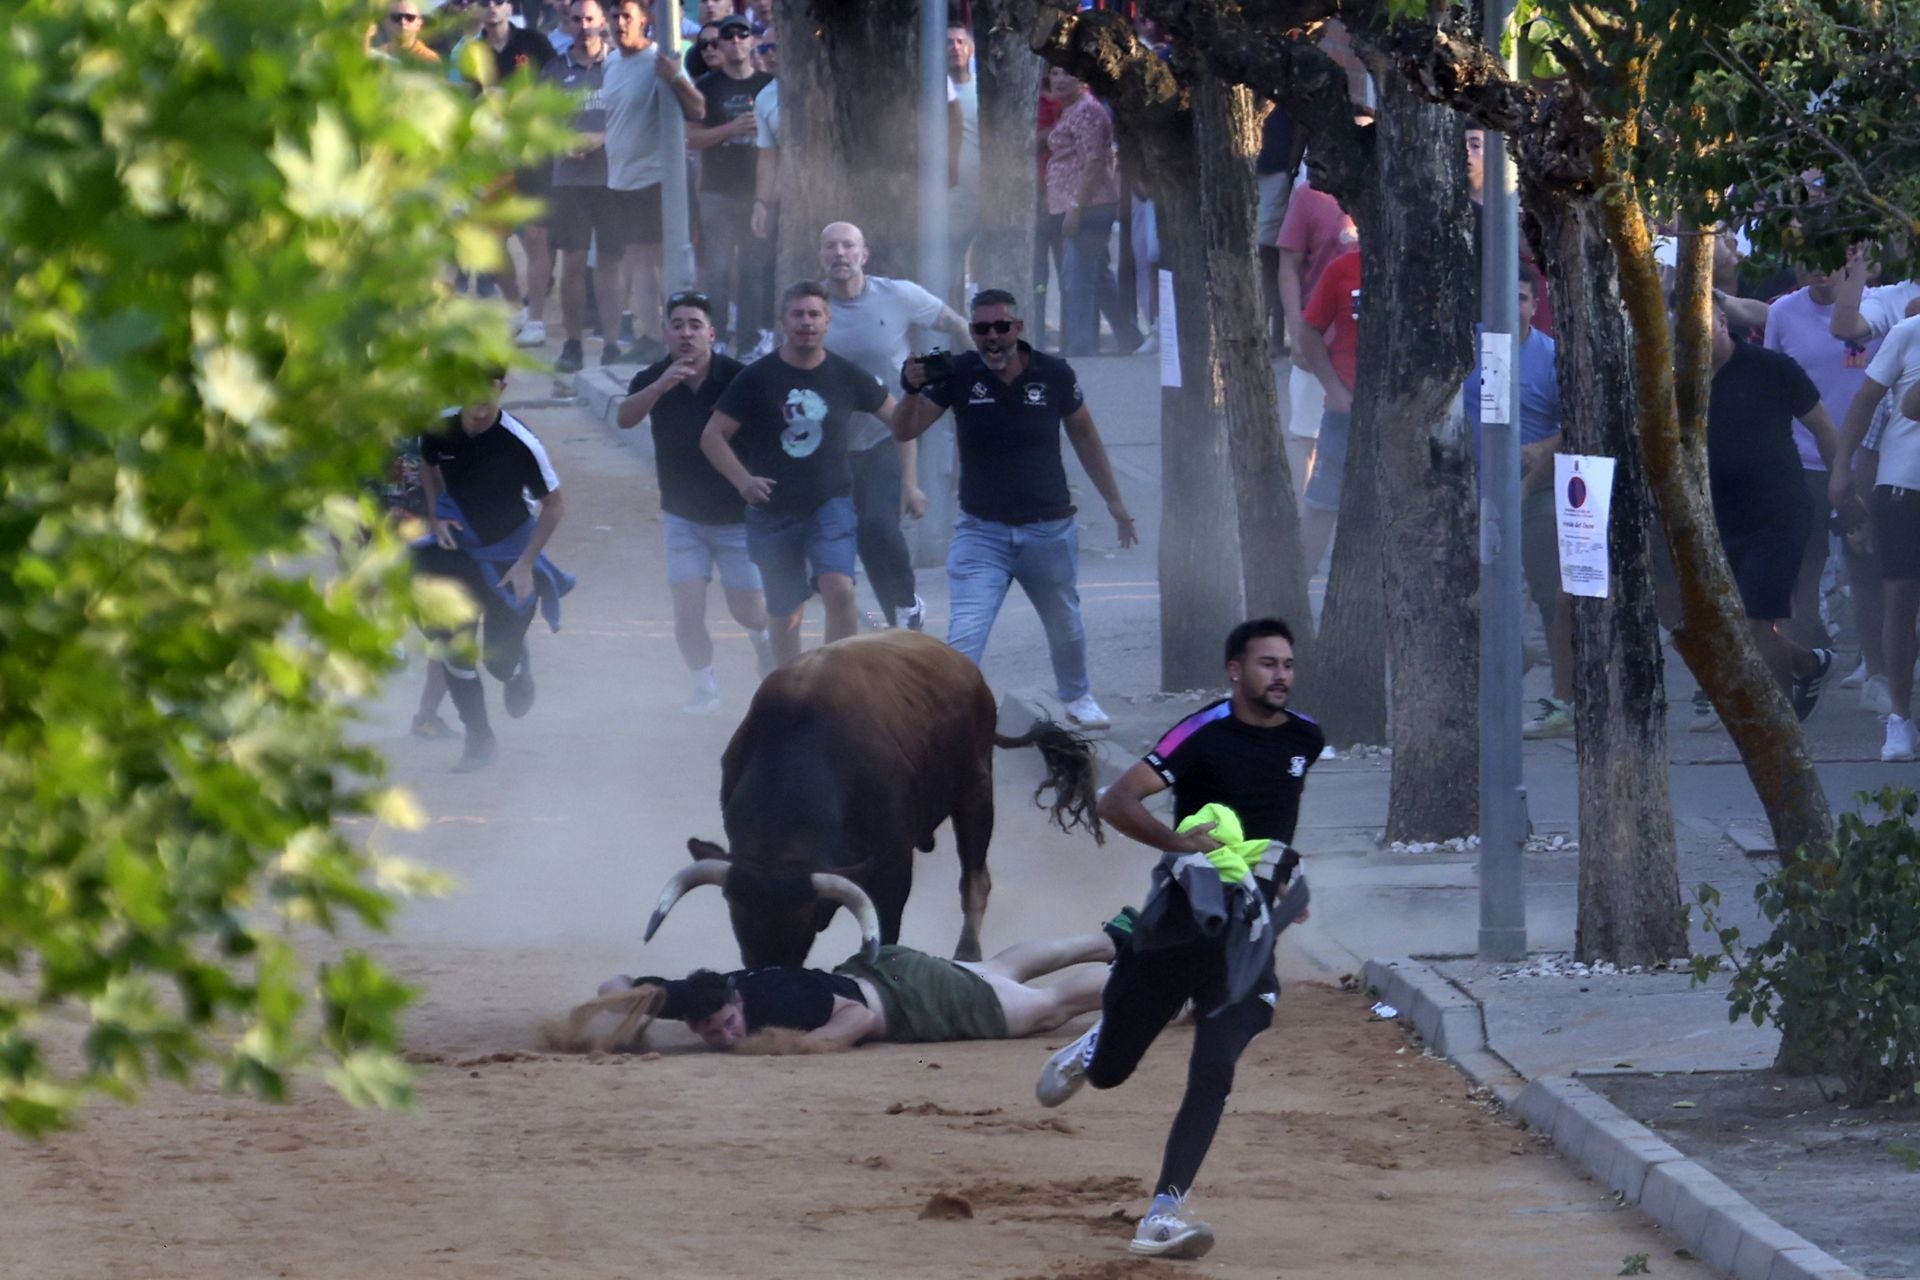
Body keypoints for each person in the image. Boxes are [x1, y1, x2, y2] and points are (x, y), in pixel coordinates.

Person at [1035, 618, 1323, 1260]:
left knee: (1215, 1064)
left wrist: (1279, 888)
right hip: (1176, 928)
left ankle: (1163, 1212)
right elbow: (1116, 800)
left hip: (1243, 938)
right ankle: (1098, 1042)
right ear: (1235, 670)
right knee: (1110, 1075)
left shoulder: (1307, 737)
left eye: (1287, 664)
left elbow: (1278, 825)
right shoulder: (1203, 732)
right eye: (1267, 664)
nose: (1280, 675)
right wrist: (1177, 842)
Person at [895, 289, 1136, 731]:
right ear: (971, 332)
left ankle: (1078, 696)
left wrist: (1116, 502)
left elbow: (1085, 435)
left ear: (1019, 329)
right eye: (981, 329)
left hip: (1049, 529)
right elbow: (905, 428)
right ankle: (950, 713)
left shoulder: (1053, 373)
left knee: (1065, 624)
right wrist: (909, 389)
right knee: (966, 632)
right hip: (981, 531)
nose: (991, 338)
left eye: (1000, 327)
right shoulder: (958, 372)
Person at [700, 281, 897, 666]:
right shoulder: (757, 377)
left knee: (839, 588)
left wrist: (901, 479)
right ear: (783, 322)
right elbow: (712, 436)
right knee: (786, 611)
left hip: (831, 502)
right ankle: (788, 683)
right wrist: (743, 481)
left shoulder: (846, 374)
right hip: (773, 509)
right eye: (798, 314)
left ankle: (835, 680)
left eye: (814, 314)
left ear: (828, 321)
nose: (806, 322)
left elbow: (901, 422)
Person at [1669, 301, 1840, 725]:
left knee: (1756, 620)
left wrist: (1842, 487)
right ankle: (1807, 665)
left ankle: (1779, 726)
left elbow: (1822, 427)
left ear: (1723, 321)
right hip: (1718, 516)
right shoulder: (1677, 380)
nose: (1695, 338)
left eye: (1702, 325)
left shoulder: (1773, 368)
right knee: (1733, 626)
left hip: (1778, 513)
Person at [618, 290, 776, 710]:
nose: (686, 334)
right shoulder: (653, 377)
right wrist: (657, 388)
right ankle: (706, 688)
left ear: (712, 333)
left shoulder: (739, 377)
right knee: (687, 614)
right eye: (677, 325)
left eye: (694, 325)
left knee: (749, 612)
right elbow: (624, 418)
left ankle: (763, 642)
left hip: (736, 518)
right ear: (666, 333)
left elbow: (767, 432)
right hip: (681, 517)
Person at [583, 930, 1115, 1053]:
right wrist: (618, 1023)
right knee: (998, 968)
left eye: (728, 1024)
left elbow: (858, 1018)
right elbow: (622, 986)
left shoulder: (776, 1006)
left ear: (739, 1001)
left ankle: (1152, 986)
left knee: (1046, 1009)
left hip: (909, 999)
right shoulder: (699, 994)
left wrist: (809, 1046)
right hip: (885, 967)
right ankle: (1109, 935)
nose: (725, 1035)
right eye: (713, 1030)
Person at [415, 372, 573, 771]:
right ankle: (479, 737)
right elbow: (427, 465)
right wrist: (436, 515)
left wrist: (525, 564)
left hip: (509, 554)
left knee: (497, 662)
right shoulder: (438, 428)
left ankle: (517, 667)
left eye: (489, 385)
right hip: (457, 549)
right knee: (452, 644)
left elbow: (554, 506)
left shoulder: (521, 442)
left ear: (502, 388)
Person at [818, 221, 972, 631]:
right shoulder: (813, 307)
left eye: (848, 246)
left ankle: (905, 606)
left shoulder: (897, 295)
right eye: (831, 247)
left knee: (878, 527)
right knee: (844, 546)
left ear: (863, 254)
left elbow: (955, 324)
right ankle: (883, 620)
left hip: (887, 435)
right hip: (828, 445)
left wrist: (970, 375)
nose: (840, 254)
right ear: (821, 257)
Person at [1763, 261, 1899, 704]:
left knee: (1867, 568)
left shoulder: (1874, 306)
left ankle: (1876, 669)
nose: (1818, 268)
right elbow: (1774, 383)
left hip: (1865, 460)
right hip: (1803, 462)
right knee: (1803, 570)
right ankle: (1802, 675)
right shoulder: (1783, 312)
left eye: (1831, 257)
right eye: (1808, 257)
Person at [1464, 265, 1570, 737]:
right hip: (1471, 495)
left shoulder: (1551, 357)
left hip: (1537, 492)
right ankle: (1512, 658)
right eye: (1505, 298)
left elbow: (1573, 430)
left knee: (1553, 595)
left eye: (1522, 298)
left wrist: (1536, 460)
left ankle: (1564, 702)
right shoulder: (1468, 346)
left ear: (1534, 304)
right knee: (1465, 594)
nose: (1514, 307)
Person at [1830, 307, 1920, 760]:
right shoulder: (1909, 334)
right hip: (1906, 484)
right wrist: (1842, 470)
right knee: (1900, 600)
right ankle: (1900, 719)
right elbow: (1890, 404)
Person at [603, 0, 705, 367]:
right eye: (613, 16)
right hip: (620, 178)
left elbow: (699, 110)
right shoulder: (611, 61)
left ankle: (682, 335)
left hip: (656, 178)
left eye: (626, 16)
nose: (619, 22)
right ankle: (649, 335)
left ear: (644, 21)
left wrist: (676, 76)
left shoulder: (658, 60)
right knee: (637, 259)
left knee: (662, 259)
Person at [451, 0, 557, 342]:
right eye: (485, 3)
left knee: (538, 237)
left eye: (499, 2)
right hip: (493, 157)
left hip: (533, 151)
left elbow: (556, 88)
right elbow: (464, 102)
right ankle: (516, 310)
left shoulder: (534, 43)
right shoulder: (472, 51)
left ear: (509, 7)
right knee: (493, 243)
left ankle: (537, 320)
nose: (492, 8)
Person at [544, 0, 629, 374]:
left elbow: (633, 117)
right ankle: (573, 343)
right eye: (577, 19)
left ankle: (612, 342)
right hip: (569, 180)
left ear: (602, 22)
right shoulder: (554, 68)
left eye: (590, 19)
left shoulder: (620, 66)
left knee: (611, 262)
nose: (583, 26)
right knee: (573, 262)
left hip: (613, 177)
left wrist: (602, 137)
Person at [688, 15, 772, 351]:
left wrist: (769, 195)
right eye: (728, 36)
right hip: (717, 190)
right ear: (719, 44)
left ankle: (751, 339)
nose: (735, 40)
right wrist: (730, 130)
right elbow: (690, 139)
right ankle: (718, 338)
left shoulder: (769, 84)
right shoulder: (706, 86)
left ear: (753, 41)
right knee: (718, 270)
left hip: (758, 190)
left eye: (742, 34)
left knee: (754, 269)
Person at [1044, 68, 1142, 358]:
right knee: (1097, 276)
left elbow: (1094, 161)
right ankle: (1130, 337)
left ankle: (1080, 348)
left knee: (1077, 278)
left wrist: (1076, 207)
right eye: (1055, 73)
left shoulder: (1087, 110)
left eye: (1067, 73)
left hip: (1090, 206)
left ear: (1083, 77)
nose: (1060, 79)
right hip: (1074, 205)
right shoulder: (1071, 109)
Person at [1274, 170, 1356, 498]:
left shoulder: (1393, 188)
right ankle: (1304, 529)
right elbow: (1288, 266)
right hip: (1318, 340)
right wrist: (1296, 331)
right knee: (1308, 438)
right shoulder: (1310, 196)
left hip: (1368, 345)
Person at [1292, 243, 1361, 579]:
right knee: (1320, 506)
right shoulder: (1343, 268)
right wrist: (1333, 389)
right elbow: (1309, 329)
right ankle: (1293, 605)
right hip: (1345, 407)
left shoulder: (1421, 267)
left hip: (1401, 414)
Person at [946, 13, 981, 301]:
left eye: (960, 42)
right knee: (948, 262)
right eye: (948, 43)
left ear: (969, 49)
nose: (955, 48)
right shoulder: (931, 90)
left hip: (979, 192)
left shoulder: (983, 91)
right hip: (944, 192)